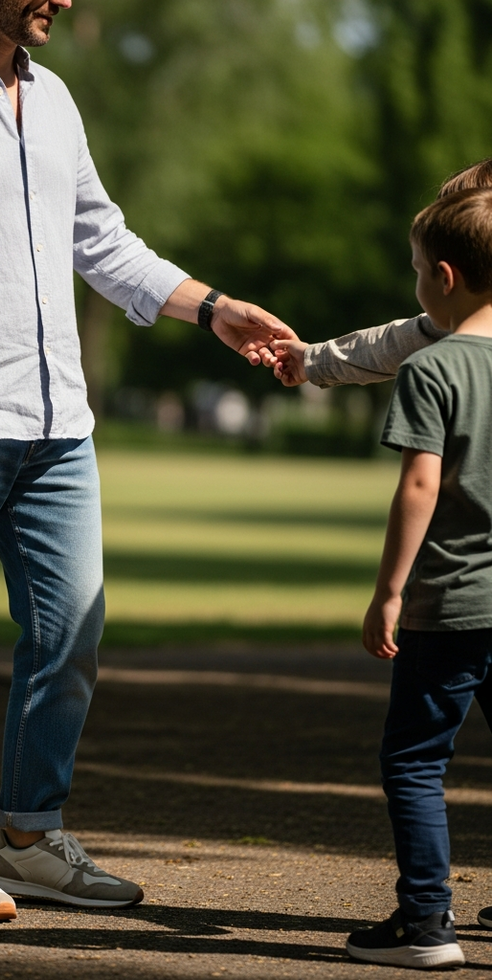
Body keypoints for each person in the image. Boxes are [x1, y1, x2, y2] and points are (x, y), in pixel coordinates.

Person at [0, 0, 291, 922]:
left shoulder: (55, 100)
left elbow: (102, 240)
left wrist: (213, 308)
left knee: (71, 639)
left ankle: (31, 839)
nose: (66, 0)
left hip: (58, 430)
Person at [345, 188, 492, 969]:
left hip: (452, 602)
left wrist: (389, 592)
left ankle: (427, 924)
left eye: (413, 269)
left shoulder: (434, 367)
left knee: (415, 758)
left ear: (442, 276)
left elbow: (419, 488)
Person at [273, 157, 492, 389]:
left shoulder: (427, 373)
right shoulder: (450, 331)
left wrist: (312, 360)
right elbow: (396, 343)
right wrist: (312, 360)